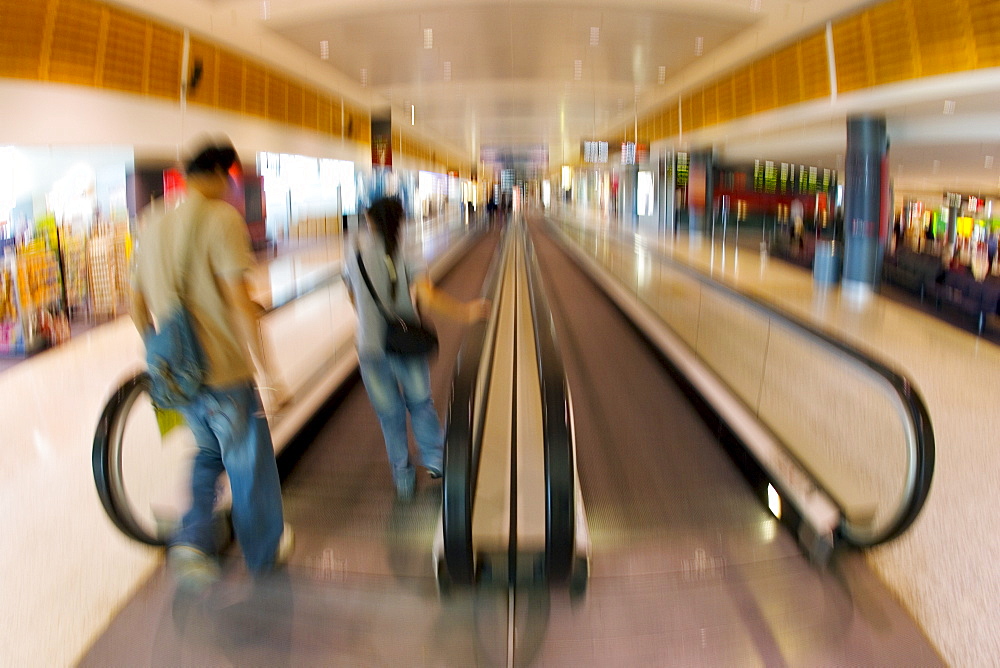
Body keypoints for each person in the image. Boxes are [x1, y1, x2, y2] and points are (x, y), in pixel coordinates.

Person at [130, 138, 291, 591]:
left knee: (206, 452)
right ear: (223, 174)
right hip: (224, 373)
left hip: (176, 378)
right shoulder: (222, 218)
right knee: (248, 461)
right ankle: (262, 555)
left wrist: (161, 351)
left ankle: (195, 538)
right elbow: (240, 304)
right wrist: (270, 373)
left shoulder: (152, 219)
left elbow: (136, 306)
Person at [344, 196, 489, 500]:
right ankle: (436, 460)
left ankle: (403, 478)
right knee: (420, 403)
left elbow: (353, 295)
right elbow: (428, 294)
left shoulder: (353, 251)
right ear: (401, 220)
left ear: (369, 220)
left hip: (370, 347)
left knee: (389, 415)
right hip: (405, 343)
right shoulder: (407, 250)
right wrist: (466, 312)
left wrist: (370, 322)